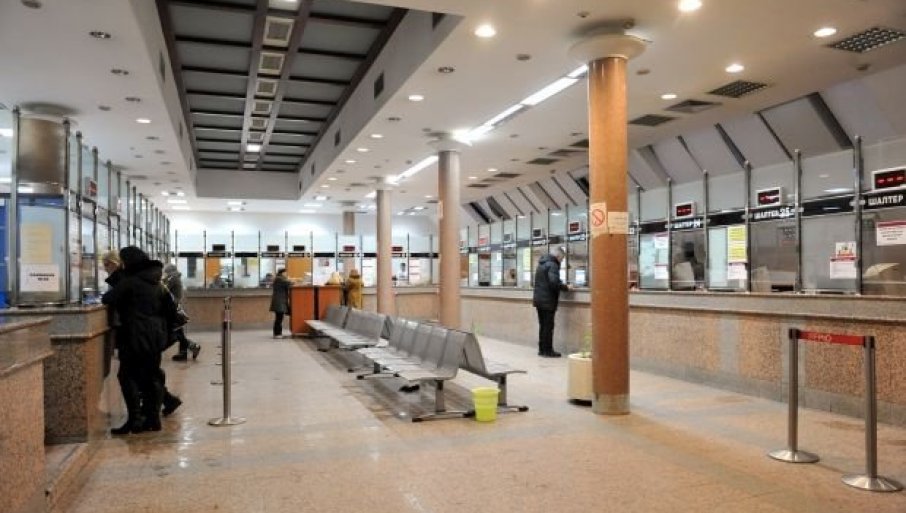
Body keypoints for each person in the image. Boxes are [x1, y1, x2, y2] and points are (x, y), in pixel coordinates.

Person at [103, 246, 175, 434]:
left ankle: (135, 419)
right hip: (156, 336)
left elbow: (108, 298)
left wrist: (118, 276)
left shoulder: (131, 282)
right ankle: (153, 419)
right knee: (151, 376)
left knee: (126, 376)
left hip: (135, 336)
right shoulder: (155, 280)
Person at [532, 247, 572, 358]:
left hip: (539, 300)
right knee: (548, 327)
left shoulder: (542, 263)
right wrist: (566, 287)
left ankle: (542, 350)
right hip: (548, 301)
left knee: (543, 326)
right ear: (558, 256)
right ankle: (548, 351)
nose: (561, 261)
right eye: (562, 259)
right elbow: (554, 282)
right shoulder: (553, 265)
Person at [163, 263, 201, 362]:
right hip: (175, 307)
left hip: (172, 308)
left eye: (166, 271)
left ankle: (192, 346)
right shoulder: (175, 278)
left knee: (175, 332)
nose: (165, 273)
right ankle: (184, 352)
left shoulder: (173, 278)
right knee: (178, 331)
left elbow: (164, 289)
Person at [270, 268, 291, 338]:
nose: (286, 274)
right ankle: (277, 334)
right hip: (279, 302)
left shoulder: (279, 278)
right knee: (279, 318)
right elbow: (289, 283)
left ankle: (278, 333)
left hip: (279, 301)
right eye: (286, 273)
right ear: (282, 273)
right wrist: (292, 280)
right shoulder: (280, 279)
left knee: (279, 318)